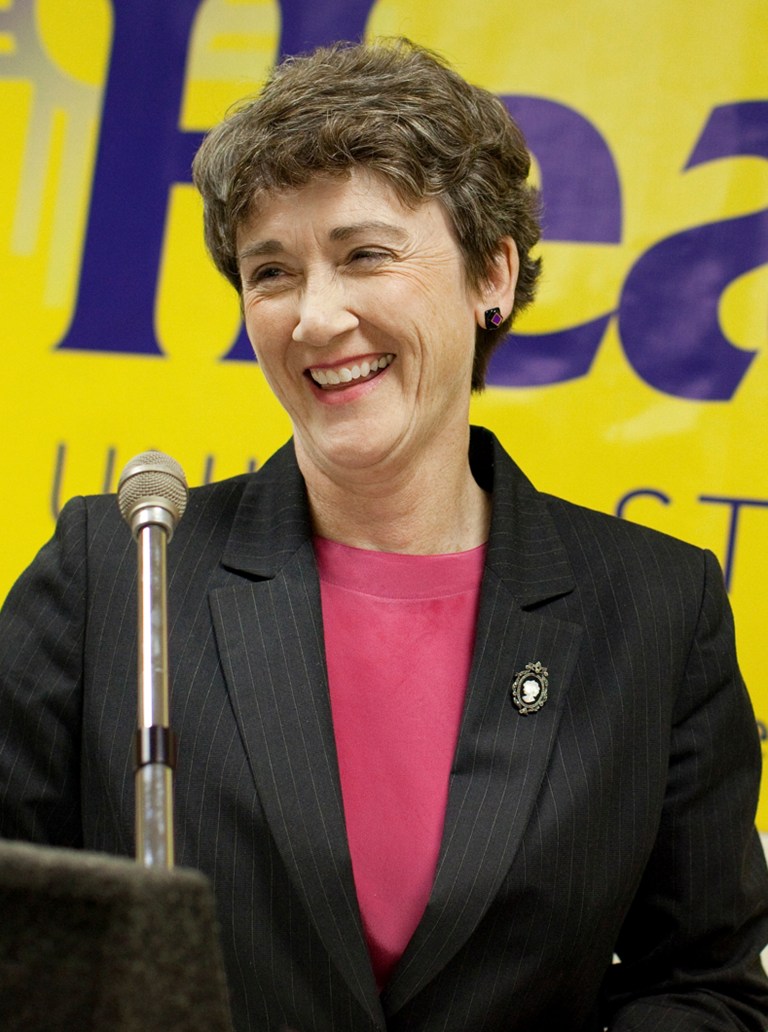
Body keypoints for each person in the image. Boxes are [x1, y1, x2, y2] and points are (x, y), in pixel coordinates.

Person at [1, 37, 767, 1032]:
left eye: (365, 254)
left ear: (492, 272)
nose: (316, 318)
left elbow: (706, 989)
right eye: (271, 271)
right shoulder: (118, 570)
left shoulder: (661, 611)